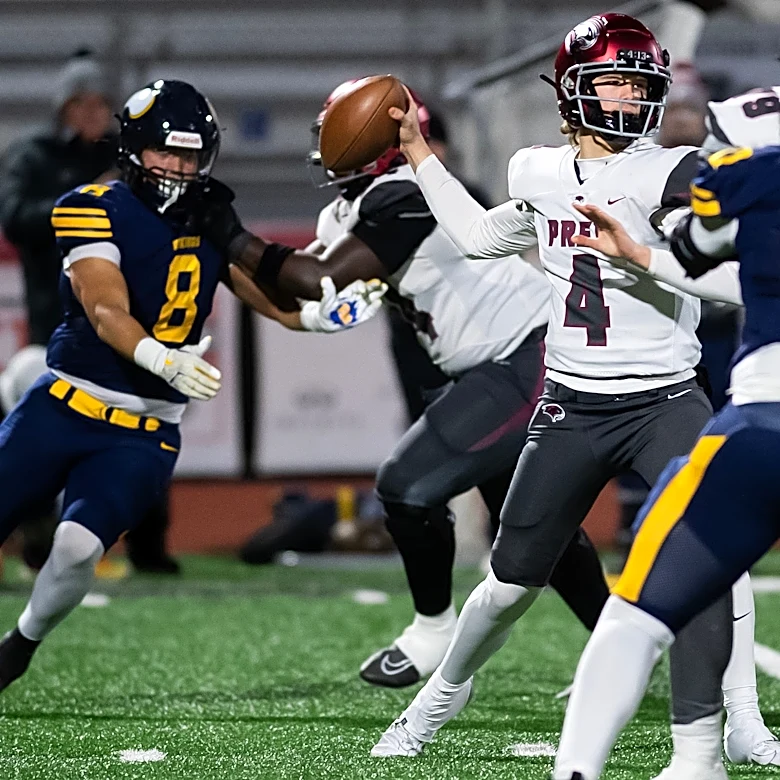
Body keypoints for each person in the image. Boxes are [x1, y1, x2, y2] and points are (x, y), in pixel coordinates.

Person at [369, 13, 778, 773]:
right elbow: (480, 239)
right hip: (573, 405)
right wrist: (420, 154)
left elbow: (740, 271)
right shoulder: (537, 172)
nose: (630, 99)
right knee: (509, 583)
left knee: (717, 556)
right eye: (614, 83)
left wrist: (653, 252)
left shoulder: (669, 171)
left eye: (640, 85)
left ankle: (736, 724)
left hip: (664, 398)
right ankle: (441, 694)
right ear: (572, 93)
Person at [204, 77, 612, 689]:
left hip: (528, 355)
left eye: (339, 129)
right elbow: (302, 302)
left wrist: (230, 234)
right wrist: (221, 257)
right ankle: (619, 646)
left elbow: (315, 278)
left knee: (406, 484)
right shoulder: (347, 209)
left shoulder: (409, 190)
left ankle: (433, 629)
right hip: (494, 364)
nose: (327, 140)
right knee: (534, 529)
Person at [0, 78, 385, 691]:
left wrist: (311, 318)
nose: (179, 168)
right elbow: (104, 307)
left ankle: (19, 645)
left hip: (144, 428)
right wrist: (161, 358)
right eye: (166, 152)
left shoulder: (207, 211)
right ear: (133, 149)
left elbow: (254, 285)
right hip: (65, 403)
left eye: (190, 155)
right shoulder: (89, 205)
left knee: (76, 550)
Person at [551, 85, 780, 780]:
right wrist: (645, 259)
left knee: (636, 613)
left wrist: (658, 248)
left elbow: (703, 242)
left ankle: (585, 769)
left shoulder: (744, 154)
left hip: (765, 426)